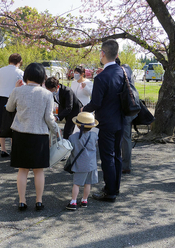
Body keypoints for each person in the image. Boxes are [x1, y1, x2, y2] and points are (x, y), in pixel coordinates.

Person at [6, 63, 59, 211]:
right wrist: (56, 130)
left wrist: (15, 89)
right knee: (38, 170)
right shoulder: (47, 94)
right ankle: (39, 201)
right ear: (42, 77)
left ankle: (22, 201)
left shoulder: (18, 91)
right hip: (39, 135)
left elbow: (9, 108)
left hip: (20, 134)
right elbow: (49, 118)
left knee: (22, 170)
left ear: (26, 76)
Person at [82, 39, 125, 202]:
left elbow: (96, 103)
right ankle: (116, 187)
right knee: (116, 156)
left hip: (106, 122)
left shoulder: (101, 77)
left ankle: (110, 191)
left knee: (107, 157)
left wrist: (83, 110)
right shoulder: (122, 72)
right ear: (117, 54)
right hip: (121, 120)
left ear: (102, 54)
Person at [66, 112, 99, 211]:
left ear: (77, 125)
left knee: (76, 183)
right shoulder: (94, 136)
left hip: (79, 165)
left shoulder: (73, 137)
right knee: (88, 183)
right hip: (91, 164)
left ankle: (73, 202)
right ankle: (84, 200)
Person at [0, 53, 24, 157]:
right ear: (19, 62)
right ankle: (13, 148)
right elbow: (22, 86)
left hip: (1, 98)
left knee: (2, 124)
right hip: (14, 98)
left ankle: (3, 149)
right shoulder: (20, 72)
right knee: (14, 123)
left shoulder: (1, 70)